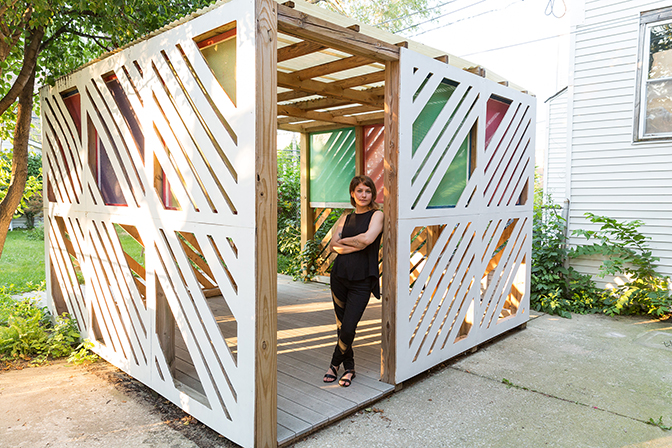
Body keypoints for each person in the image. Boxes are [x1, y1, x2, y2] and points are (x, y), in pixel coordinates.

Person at [323, 175, 383, 387]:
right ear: (352, 193)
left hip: (362, 280)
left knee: (349, 326)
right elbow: (333, 246)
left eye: (367, 191)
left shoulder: (377, 215)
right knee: (341, 326)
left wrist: (348, 242)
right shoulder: (345, 218)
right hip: (339, 276)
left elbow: (367, 240)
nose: (363, 195)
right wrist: (356, 243)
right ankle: (349, 368)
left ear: (372, 194)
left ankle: (333, 364)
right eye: (359, 191)